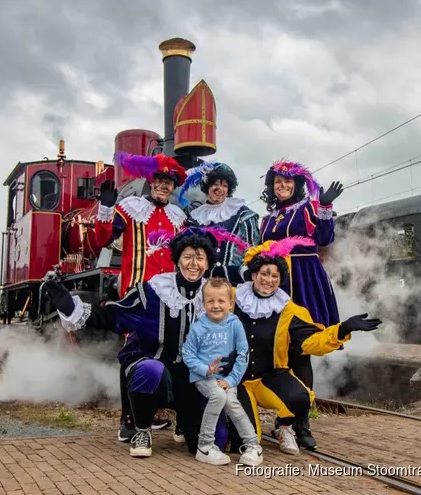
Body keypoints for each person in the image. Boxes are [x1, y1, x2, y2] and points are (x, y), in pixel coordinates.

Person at [43, 228, 240, 458]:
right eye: (187, 257)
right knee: (149, 368)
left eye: (200, 258)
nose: (193, 264)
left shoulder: (212, 295)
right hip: (157, 372)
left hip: (192, 379)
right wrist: (71, 308)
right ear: (177, 259)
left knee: (217, 440)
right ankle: (142, 429)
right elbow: (115, 315)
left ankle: (186, 423)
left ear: (208, 263)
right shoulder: (155, 290)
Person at [221, 237, 382, 455]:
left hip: (270, 376)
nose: (269, 280)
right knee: (242, 442)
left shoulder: (290, 311)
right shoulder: (231, 298)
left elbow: (311, 343)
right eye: (265, 274)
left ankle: (284, 426)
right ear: (254, 274)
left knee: (300, 398)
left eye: (275, 276)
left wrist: (342, 329)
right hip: (236, 379)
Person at [92, 151, 189, 442]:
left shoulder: (178, 217)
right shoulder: (131, 208)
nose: (163, 185)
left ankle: (148, 412)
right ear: (151, 181)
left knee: (162, 354)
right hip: (138, 295)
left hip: (169, 299)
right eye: (159, 179)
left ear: (174, 187)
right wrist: (105, 209)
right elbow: (101, 240)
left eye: (169, 182)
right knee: (132, 356)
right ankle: (128, 421)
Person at [258, 159, 344, 450]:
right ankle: (284, 421)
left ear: (297, 185)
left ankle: (302, 422)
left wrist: (326, 208)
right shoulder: (266, 219)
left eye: (287, 182)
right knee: (277, 354)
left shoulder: (308, 208)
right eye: (277, 182)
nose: (282, 186)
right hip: (275, 282)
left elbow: (324, 238)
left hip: (304, 280)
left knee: (302, 354)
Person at [181, 277, 262, 467]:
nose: (216, 306)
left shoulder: (235, 324)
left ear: (231, 304)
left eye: (221, 301)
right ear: (204, 303)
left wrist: (232, 380)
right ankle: (205, 446)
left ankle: (253, 446)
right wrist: (205, 370)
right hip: (204, 377)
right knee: (218, 396)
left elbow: (243, 354)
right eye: (210, 301)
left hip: (227, 378)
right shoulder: (198, 327)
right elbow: (187, 354)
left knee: (232, 403)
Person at [179, 162, 260, 283]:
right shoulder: (195, 217)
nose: (220, 189)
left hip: (233, 282)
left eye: (224, 185)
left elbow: (253, 250)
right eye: (215, 184)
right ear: (207, 187)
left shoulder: (242, 214)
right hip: (201, 281)